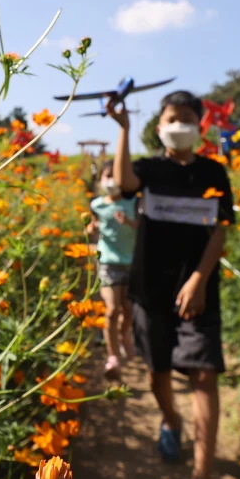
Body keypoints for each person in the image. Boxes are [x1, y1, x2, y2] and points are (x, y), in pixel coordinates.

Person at [107, 90, 234, 479]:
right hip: (150, 289)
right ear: (159, 127)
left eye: (185, 118)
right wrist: (123, 129)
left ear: (199, 126)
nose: (177, 125)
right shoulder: (149, 169)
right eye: (170, 118)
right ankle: (172, 422)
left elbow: (220, 229)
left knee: (203, 375)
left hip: (197, 292)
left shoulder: (214, 172)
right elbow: (124, 184)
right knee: (157, 373)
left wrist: (200, 279)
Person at [86, 160, 138, 381]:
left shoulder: (133, 202)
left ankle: (125, 334)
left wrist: (129, 222)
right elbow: (90, 226)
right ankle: (113, 356)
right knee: (111, 310)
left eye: (115, 175)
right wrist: (90, 228)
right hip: (108, 263)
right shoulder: (97, 204)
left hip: (132, 263)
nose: (111, 180)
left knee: (128, 310)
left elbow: (144, 227)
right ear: (100, 181)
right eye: (107, 176)